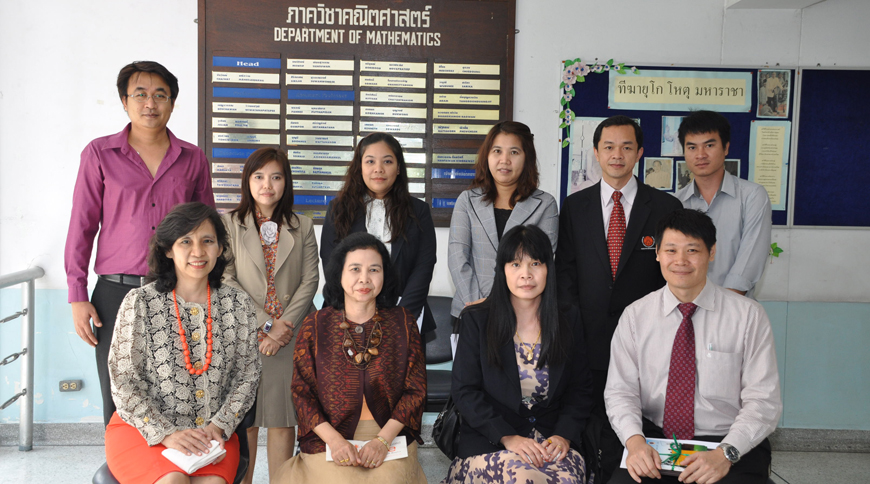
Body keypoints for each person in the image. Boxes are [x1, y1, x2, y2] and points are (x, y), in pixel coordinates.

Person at [65, 61, 215, 425]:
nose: (150, 103)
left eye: (160, 95)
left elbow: (208, 230)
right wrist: (77, 295)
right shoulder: (99, 154)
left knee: (179, 392)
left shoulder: (192, 158)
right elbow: (82, 226)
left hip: (177, 290)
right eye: (140, 94)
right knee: (119, 393)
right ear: (124, 101)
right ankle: (123, 460)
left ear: (172, 103)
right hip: (116, 294)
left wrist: (210, 289)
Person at [605, 209, 782, 484]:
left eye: (692, 250)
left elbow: (763, 401)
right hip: (655, 440)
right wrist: (635, 442)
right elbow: (620, 391)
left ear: (711, 252)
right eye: (671, 250)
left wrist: (725, 454)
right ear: (657, 253)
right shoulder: (635, 316)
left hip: (727, 441)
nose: (681, 261)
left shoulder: (748, 316)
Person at [555, 115, 682, 482]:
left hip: (647, 341)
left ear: (639, 153)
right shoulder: (575, 206)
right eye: (608, 147)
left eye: (627, 147)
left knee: (638, 422)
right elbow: (565, 272)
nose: (617, 155)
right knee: (589, 418)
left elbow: (672, 276)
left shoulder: (664, 207)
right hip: (587, 336)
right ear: (596, 153)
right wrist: (572, 325)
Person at [106, 202, 261, 484]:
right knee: (172, 481)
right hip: (143, 429)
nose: (198, 252)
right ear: (168, 250)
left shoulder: (238, 304)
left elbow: (247, 376)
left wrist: (219, 425)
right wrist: (165, 433)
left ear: (220, 248)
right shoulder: (140, 302)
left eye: (207, 241)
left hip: (210, 433)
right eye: (185, 241)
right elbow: (123, 379)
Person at [443, 225, 593, 484]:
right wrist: (507, 437)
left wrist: (563, 435)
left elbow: (581, 388)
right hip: (491, 441)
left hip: (551, 441)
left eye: (535, 263)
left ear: (549, 269)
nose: (526, 274)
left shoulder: (568, 318)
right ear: (502, 270)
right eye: (515, 264)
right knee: (523, 479)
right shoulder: (477, 319)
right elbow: (465, 391)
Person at [274, 232, 427, 483]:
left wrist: (382, 441)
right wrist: (335, 441)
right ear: (339, 274)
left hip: (389, 435)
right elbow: (302, 394)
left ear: (385, 275)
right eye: (355, 269)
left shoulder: (403, 322)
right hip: (328, 436)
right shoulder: (315, 325)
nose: (364, 278)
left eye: (374, 270)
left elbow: (415, 391)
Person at [221, 147, 319, 483]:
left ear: (286, 182)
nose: (267, 184)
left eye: (276, 177)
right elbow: (226, 280)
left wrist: (282, 328)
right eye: (259, 176)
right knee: (245, 419)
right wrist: (266, 324)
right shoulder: (228, 224)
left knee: (281, 418)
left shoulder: (303, 226)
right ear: (247, 181)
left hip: (291, 334)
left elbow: (310, 281)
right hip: (246, 332)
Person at [320, 133, 436, 338]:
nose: (378, 169)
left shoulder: (418, 211)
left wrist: (402, 318)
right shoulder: (338, 209)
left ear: (398, 168)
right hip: (346, 318)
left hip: (405, 318)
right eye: (370, 161)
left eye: (387, 161)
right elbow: (332, 264)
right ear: (359, 167)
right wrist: (355, 313)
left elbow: (423, 267)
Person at [448, 121, 558, 323]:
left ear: (527, 158)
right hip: (470, 309)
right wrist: (479, 305)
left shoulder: (545, 204)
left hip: (523, 315)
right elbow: (457, 258)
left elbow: (542, 262)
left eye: (514, 152)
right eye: (497, 151)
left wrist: (508, 307)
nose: (504, 160)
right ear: (487, 156)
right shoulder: (467, 200)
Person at [675, 111, 772, 298]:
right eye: (692, 147)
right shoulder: (675, 203)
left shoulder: (752, 196)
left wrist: (721, 307)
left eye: (709, 145)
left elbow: (749, 262)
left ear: (726, 148)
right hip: (685, 308)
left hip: (734, 307)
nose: (700, 155)